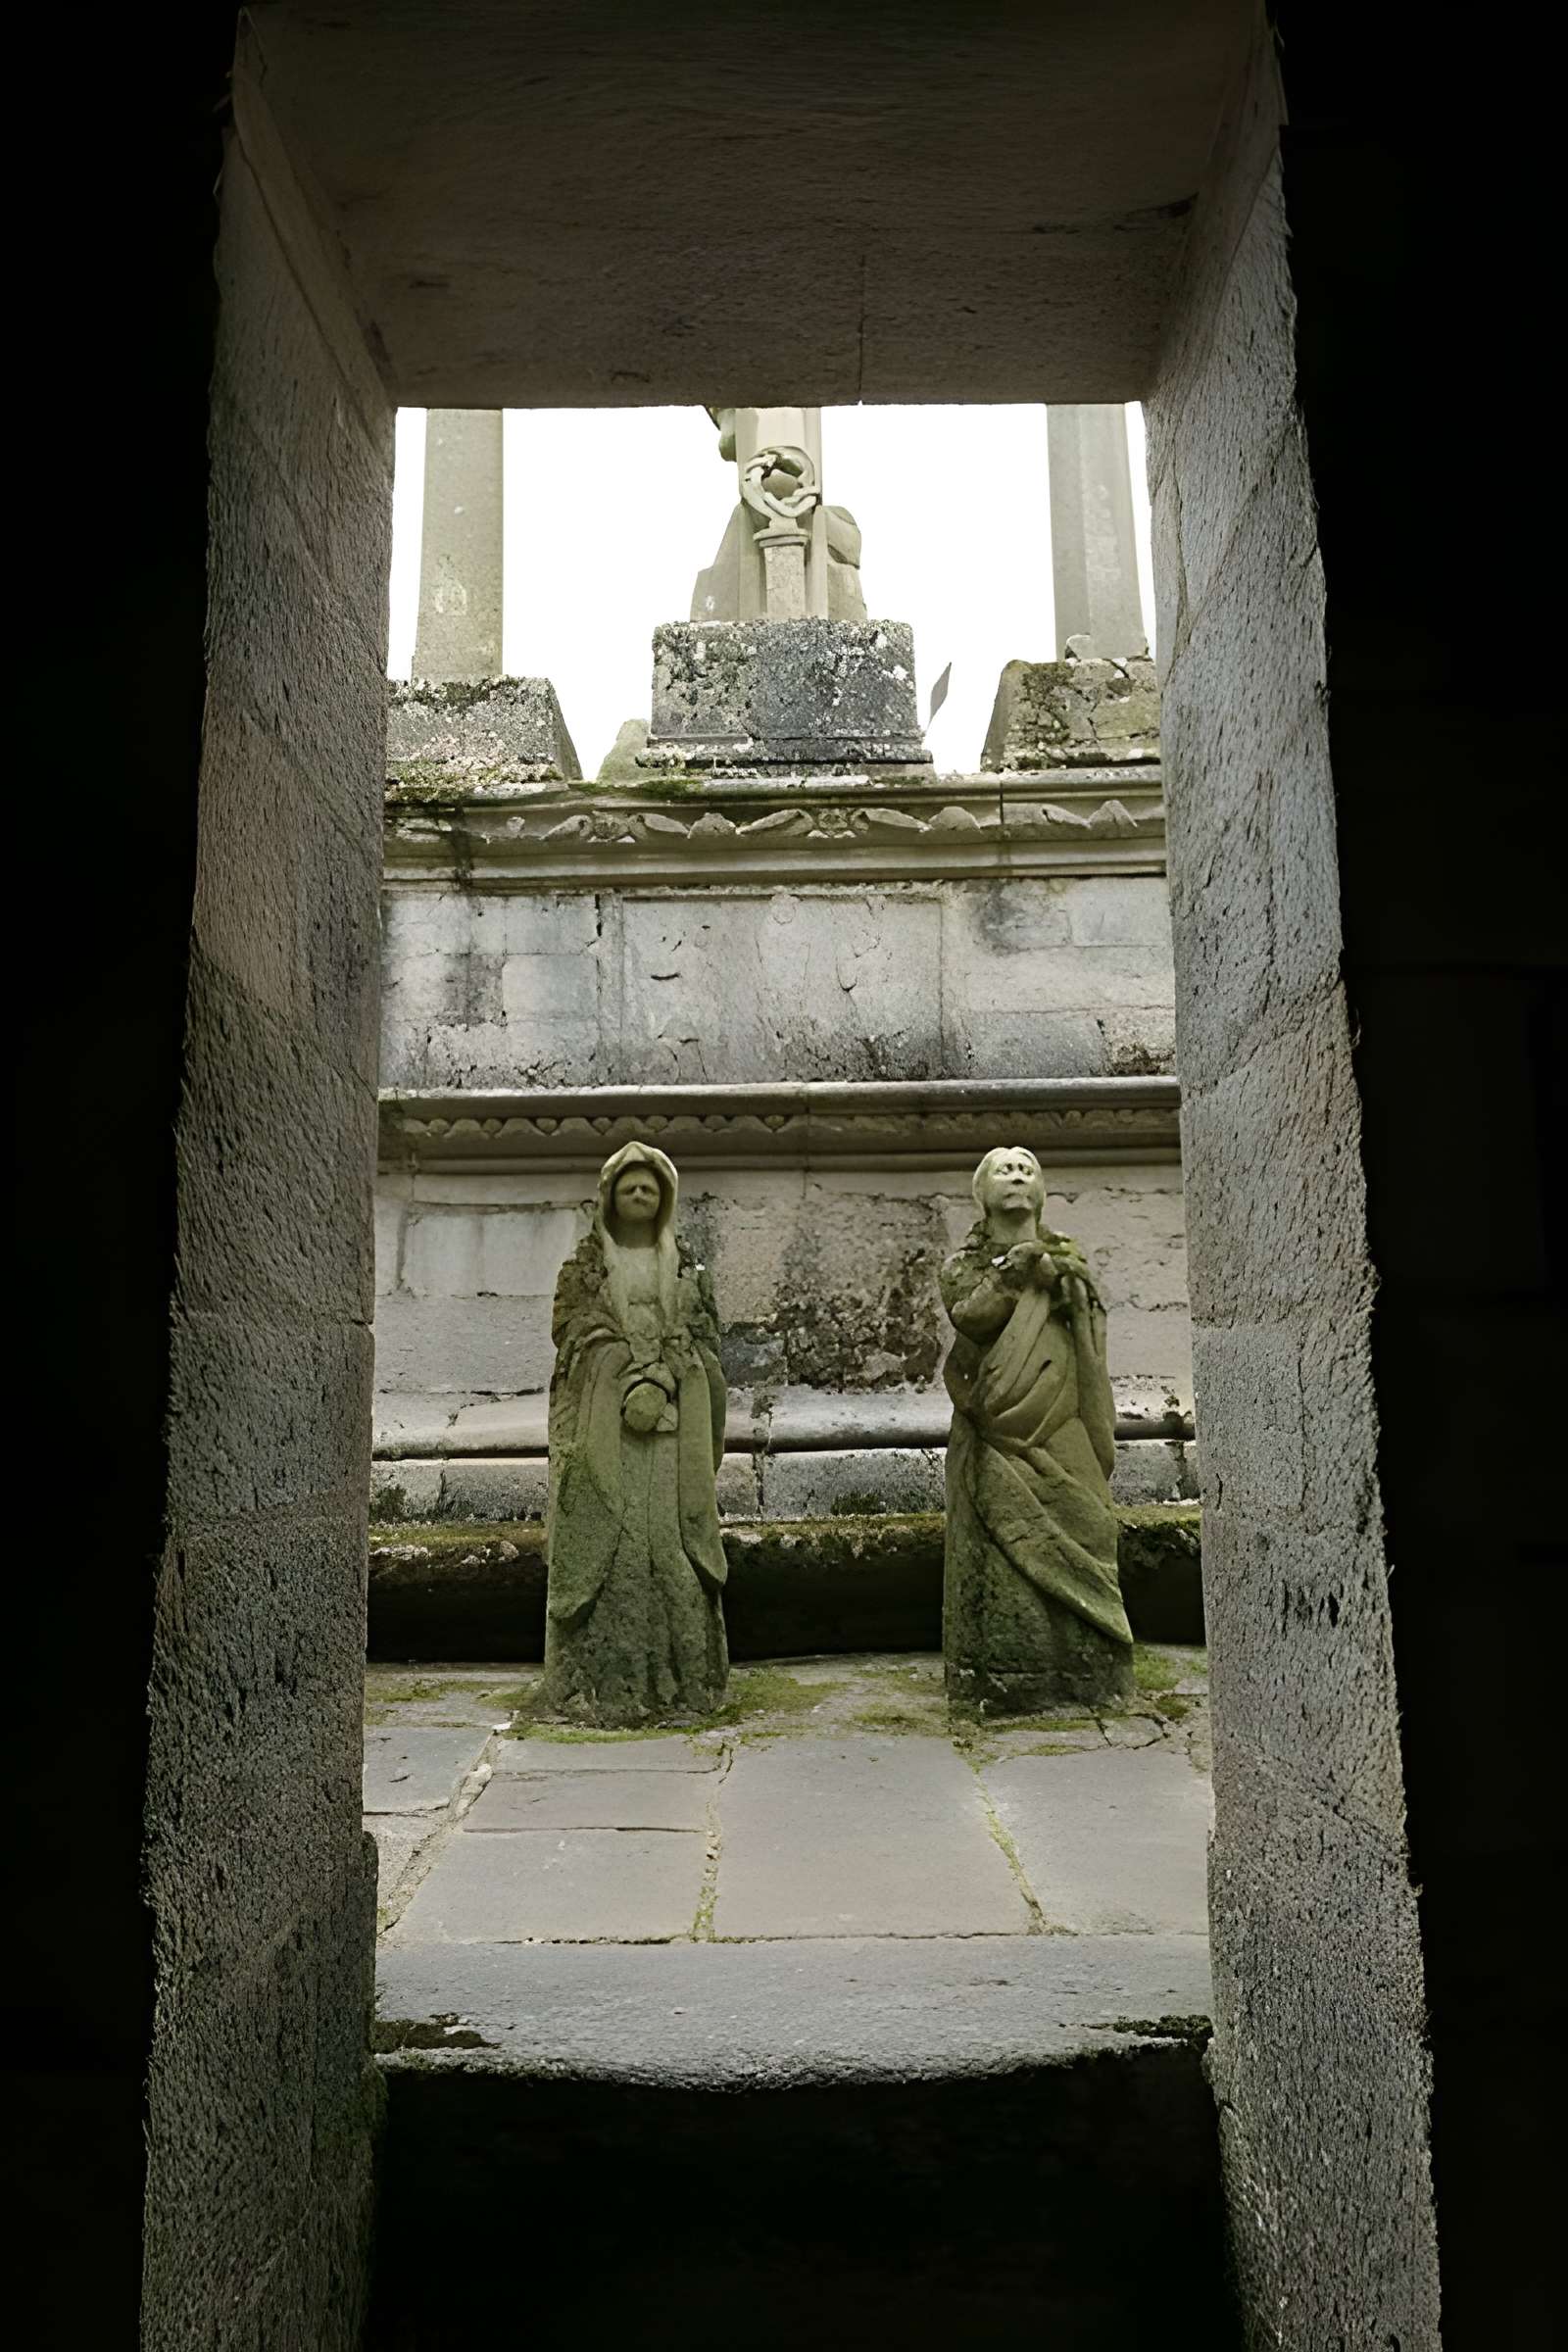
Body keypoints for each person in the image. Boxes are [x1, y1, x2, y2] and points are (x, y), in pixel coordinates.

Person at [941, 1145, 1134, 1711]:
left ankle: (1092, 1665)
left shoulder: (1067, 1257)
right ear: (983, 1193)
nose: (1017, 1178)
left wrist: (1067, 1283)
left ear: (1041, 1192)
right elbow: (970, 1318)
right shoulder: (963, 1267)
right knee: (1002, 1554)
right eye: (1005, 1170)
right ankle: (1010, 1674)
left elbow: (1088, 1321)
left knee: (1090, 1521)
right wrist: (1018, 1270)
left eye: (1027, 1170)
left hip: (1061, 1416)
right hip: (997, 1427)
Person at [543, 1143, 729, 1725]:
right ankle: (605, 1685)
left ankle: (683, 1682)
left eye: (651, 1187)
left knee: (672, 1546)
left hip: (673, 1428)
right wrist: (627, 1379)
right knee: (615, 1545)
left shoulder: (686, 1269)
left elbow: (702, 1334)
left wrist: (666, 1378)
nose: (641, 1195)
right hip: (609, 1425)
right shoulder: (586, 1269)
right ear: (611, 1199)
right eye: (630, 1188)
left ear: (665, 1199)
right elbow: (575, 1331)